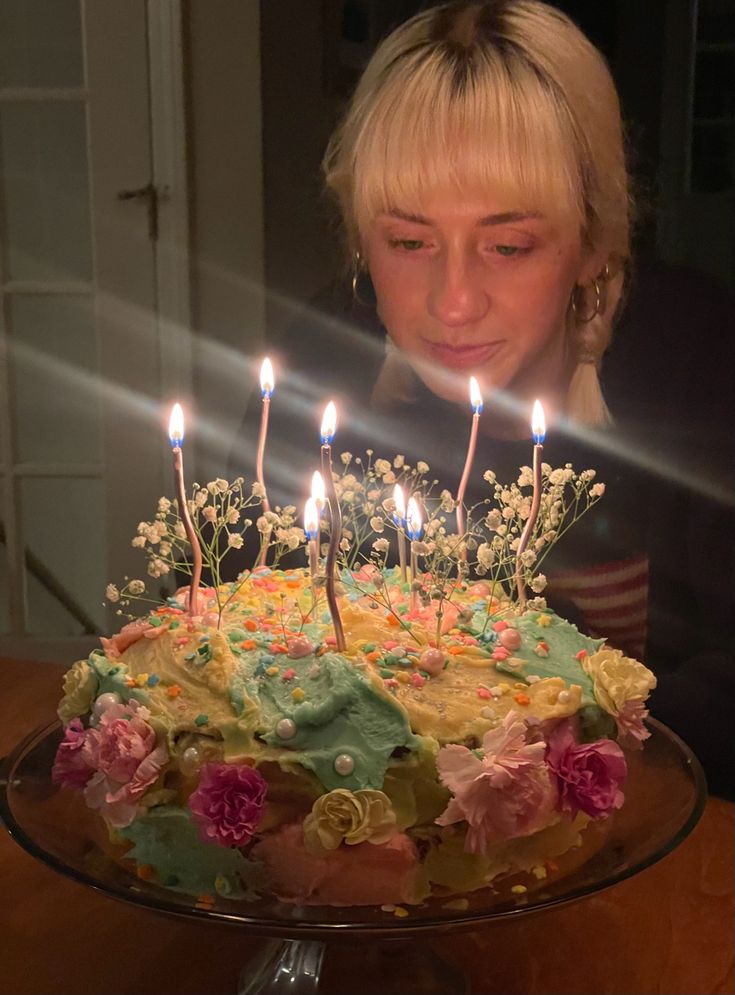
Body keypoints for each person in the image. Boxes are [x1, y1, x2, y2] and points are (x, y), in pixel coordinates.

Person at [231, 0, 734, 797]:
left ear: (591, 242)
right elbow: (220, 631)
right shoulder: (320, 361)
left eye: (507, 245)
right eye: (408, 241)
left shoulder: (700, 365)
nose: (452, 302)